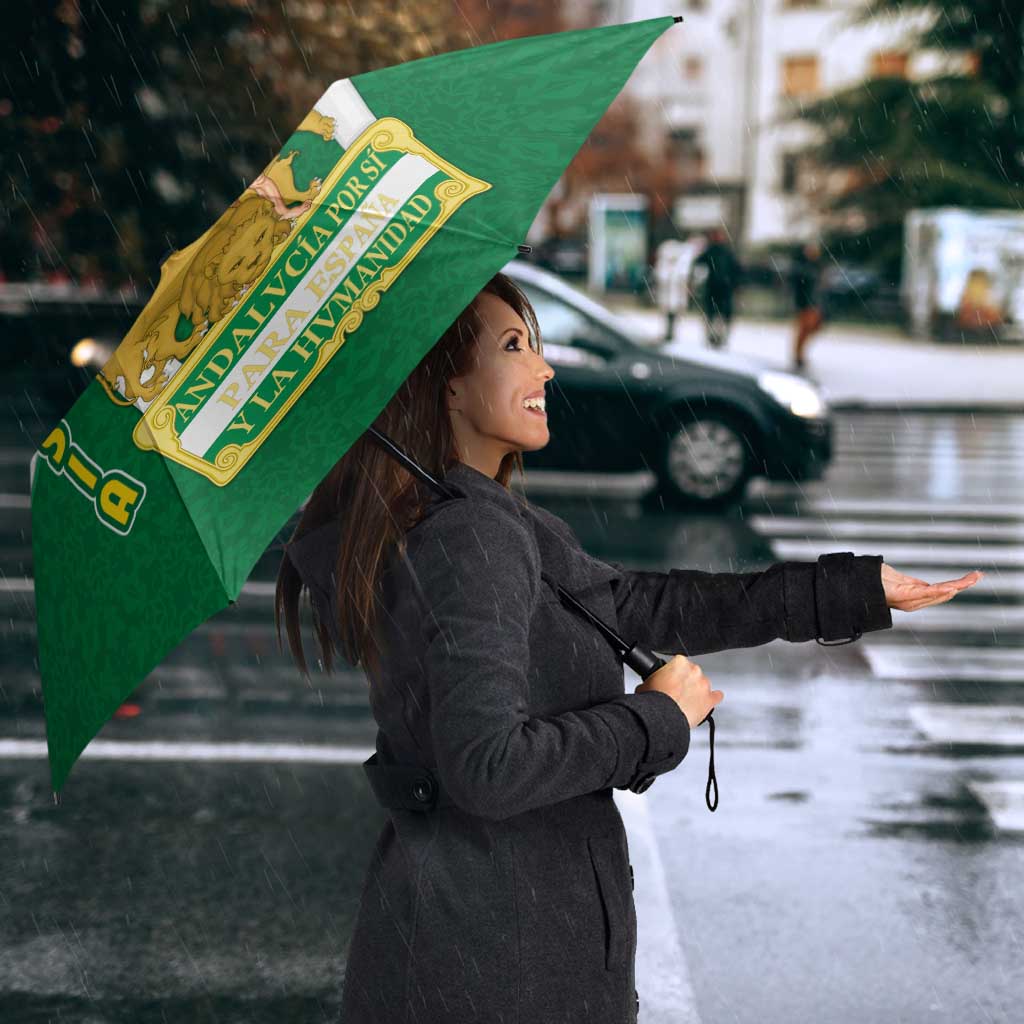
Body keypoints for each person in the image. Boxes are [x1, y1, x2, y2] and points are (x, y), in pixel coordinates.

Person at [276, 272, 974, 1024]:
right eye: (514, 347)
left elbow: (640, 605)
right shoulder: (470, 537)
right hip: (500, 962)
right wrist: (656, 719)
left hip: (482, 940)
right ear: (445, 386)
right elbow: (487, 768)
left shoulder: (476, 517)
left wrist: (849, 591)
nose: (544, 368)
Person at [692, 226, 742, 349]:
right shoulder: (712, 251)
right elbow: (698, 264)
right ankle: (713, 337)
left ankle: (719, 337)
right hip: (715, 288)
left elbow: (736, 270)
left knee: (720, 315)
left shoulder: (725, 252)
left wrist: (735, 284)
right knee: (713, 314)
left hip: (723, 288)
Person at [790, 239, 826, 370]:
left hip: (814, 303)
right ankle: (798, 355)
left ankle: (799, 354)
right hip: (805, 303)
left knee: (812, 328)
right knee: (804, 329)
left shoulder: (817, 266)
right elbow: (799, 286)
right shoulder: (802, 267)